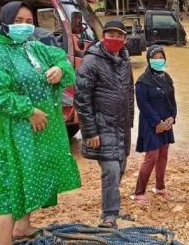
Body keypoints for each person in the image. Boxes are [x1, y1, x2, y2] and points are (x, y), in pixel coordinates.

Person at [0, 1, 81, 245]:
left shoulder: (33, 48)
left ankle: (22, 227)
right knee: (6, 181)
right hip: (5, 132)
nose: (24, 26)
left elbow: (64, 63)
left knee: (31, 173)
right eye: (18, 21)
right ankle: (3, 240)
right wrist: (28, 111)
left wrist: (59, 69)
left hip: (31, 131)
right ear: (5, 22)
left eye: (29, 22)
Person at [75, 20, 135, 229]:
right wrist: (90, 131)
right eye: (111, 34)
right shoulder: (91, 61)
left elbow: (129, 92)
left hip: (121, 127)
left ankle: (113, 207)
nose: (115, 39)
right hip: (102, 126)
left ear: (125, 40)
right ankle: (109, 216)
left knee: (121, 166)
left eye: (120, 36)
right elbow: (82, 98)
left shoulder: (125, 60)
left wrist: (130, 121)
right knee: (110, 169)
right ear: (103, 37)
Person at [130, 45, 177, 206]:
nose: (158, 60)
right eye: (155, 57)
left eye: (160, 57)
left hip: (166, 123)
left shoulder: (166, 78)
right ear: (149, 60)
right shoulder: (143, 82)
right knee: (152, 157)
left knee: (163, 155)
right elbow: (143, 105)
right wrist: (157, 123)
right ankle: (139, 192)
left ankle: (160, 187)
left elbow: (172, 101)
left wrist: (172, 118)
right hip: (151, 124)